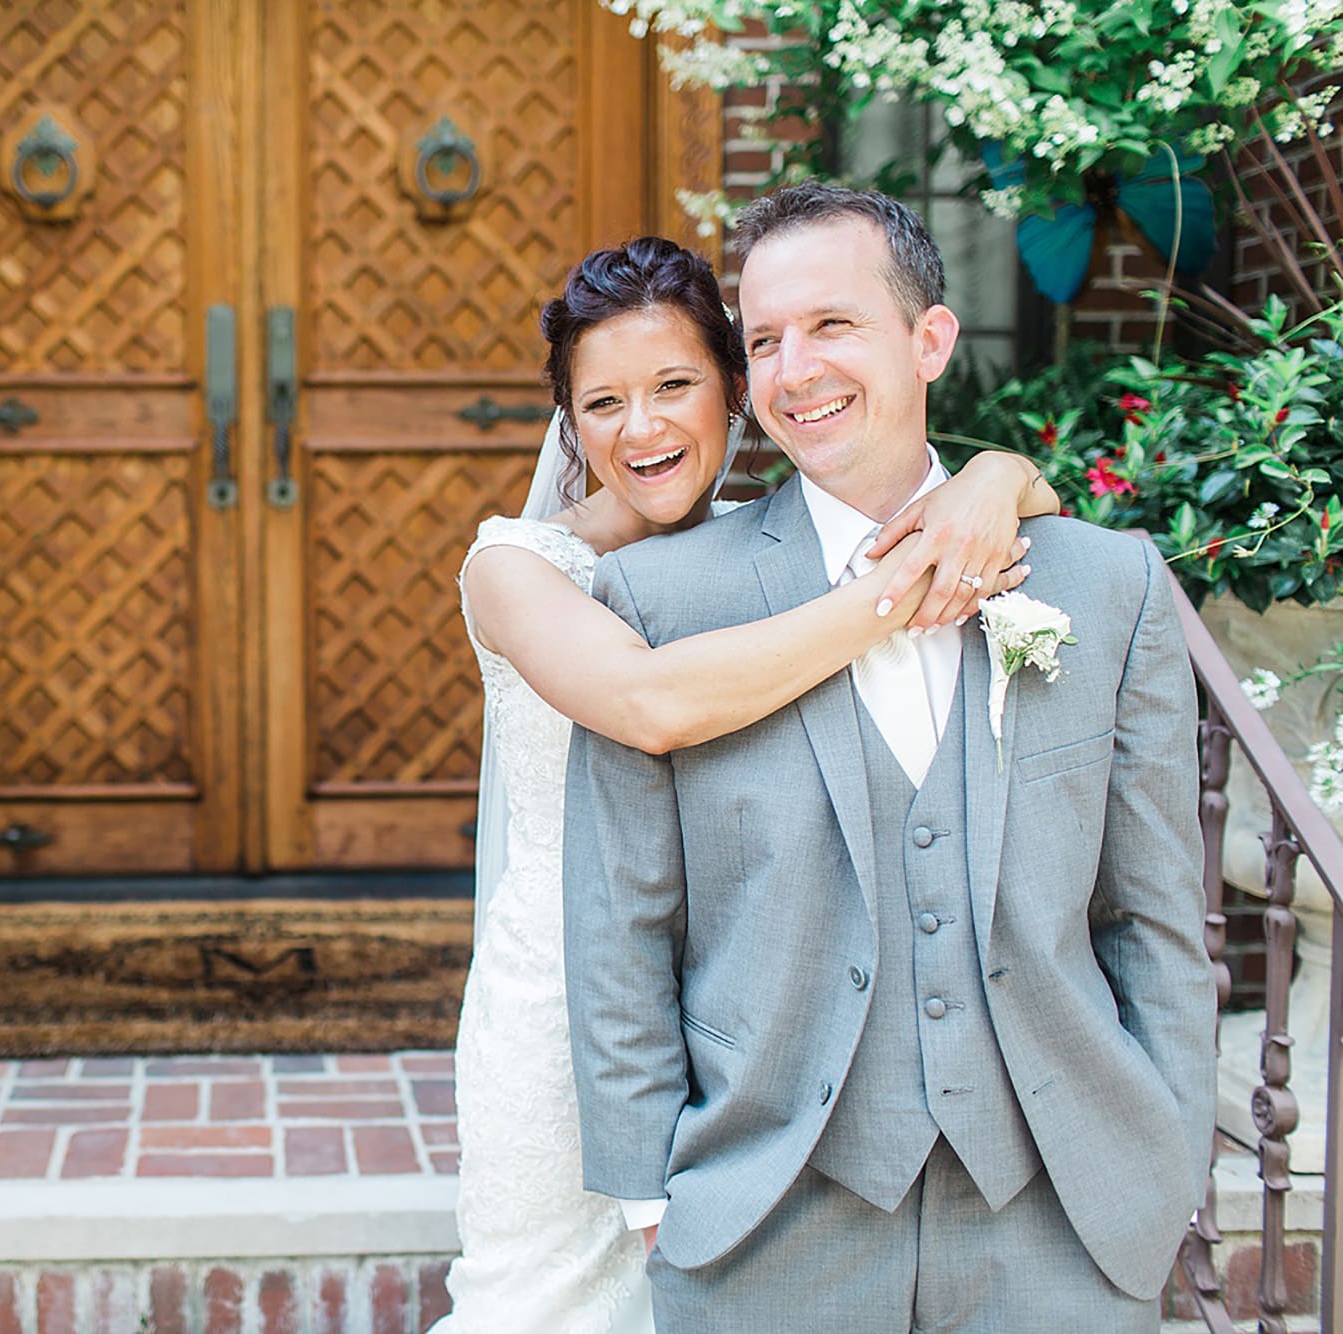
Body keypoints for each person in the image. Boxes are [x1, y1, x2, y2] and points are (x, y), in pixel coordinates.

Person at [562, 184, 1216, 1333]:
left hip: (1058, 1213)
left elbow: (1152, 910)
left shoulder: (1105, 586)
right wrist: (646, 1188)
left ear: (928, 339)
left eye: (831, 325)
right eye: (762, 340)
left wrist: (1164, 1148)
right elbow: (621, 918)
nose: (793, 368)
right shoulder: (660, 601)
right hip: (769, 1210)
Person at [437, 234, 1060, 1334]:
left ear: (733, 390)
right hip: (560, 1002)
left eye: (674, 386)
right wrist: (904, 579)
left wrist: (992, 478)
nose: (643, 429)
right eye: (602, 403)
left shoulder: (764, 548)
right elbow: (650, 705)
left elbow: (1033, 498)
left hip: (743, 996)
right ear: (567, 423)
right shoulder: (513, 566)